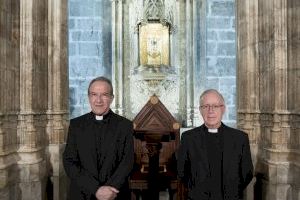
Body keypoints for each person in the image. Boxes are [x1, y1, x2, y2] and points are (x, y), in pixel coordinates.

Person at [63, 76, 134, 200]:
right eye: (94, 94)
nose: (98, 100)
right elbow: (69, 162)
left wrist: (110, 189)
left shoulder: (125, 125)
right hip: (82, 193)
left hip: (114, 194)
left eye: (104, 95)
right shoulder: (76, 125)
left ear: (112, 98)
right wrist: (95, 189)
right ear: (89, 97)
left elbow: (127, 162)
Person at [177, 89, 253, 200]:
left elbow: (247, 173)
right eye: (206, 106)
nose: (210, 111)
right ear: (200, 110)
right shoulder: (188, 138)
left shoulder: (240, 138)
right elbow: (182, 172)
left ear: (223, 109)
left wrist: (232, 191)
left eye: (215, 106)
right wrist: (197, 191)